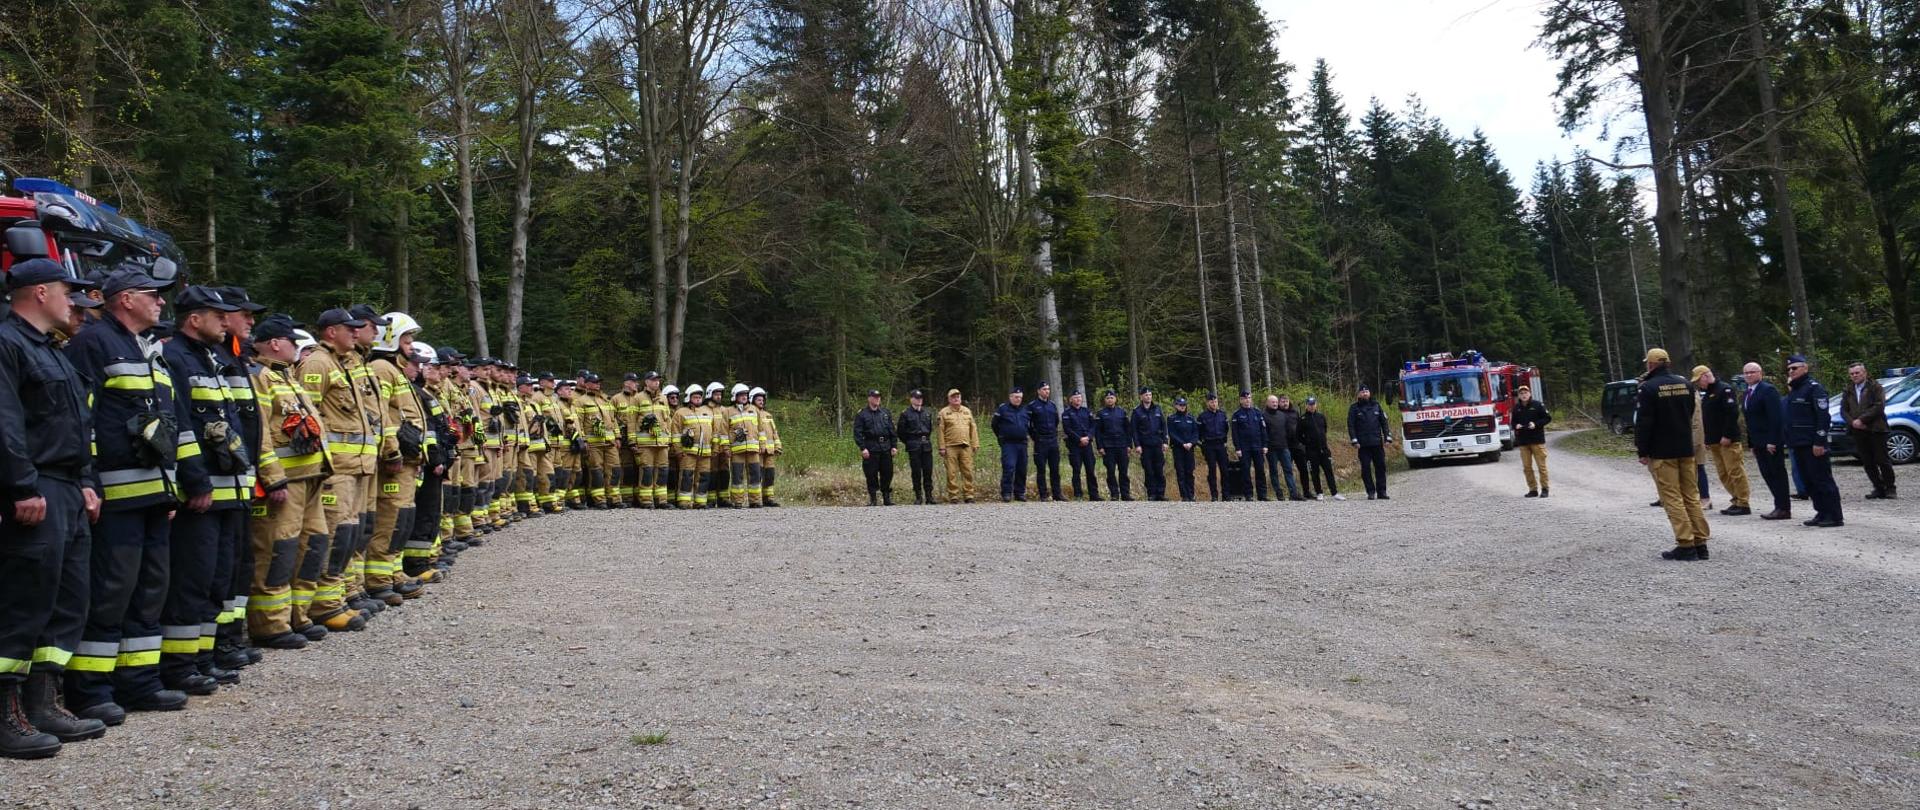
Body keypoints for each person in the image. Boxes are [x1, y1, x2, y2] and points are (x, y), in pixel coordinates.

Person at [60, 267, 189, 723]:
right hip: (116, 497)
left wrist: (171, 490)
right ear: (126, 299)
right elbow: (83, 421)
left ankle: (140, 681)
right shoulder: (93, 343)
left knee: (150, 589)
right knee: (112, 590)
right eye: (153, 295)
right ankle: (91, 688)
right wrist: (87, 481)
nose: (160, 303)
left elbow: (164, 426)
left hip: (154, 496)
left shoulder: (150, 348)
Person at [0, 260, 106, 758]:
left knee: (67, 600)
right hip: (34, 487)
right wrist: (22, 486)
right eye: (68, 291)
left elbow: (75, 425)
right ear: (39, 292)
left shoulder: (54, 351)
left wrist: (85, 481)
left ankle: (43, 704)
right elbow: (6, 424)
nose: (76, 302)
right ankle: (5, 716)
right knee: (25, 603)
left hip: (65, 487)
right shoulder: (8, 343)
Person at [161, 286, 256, 692]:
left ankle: (204, 657)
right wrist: (195, 481)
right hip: (203, 494)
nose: (227, 320)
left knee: (218, 579)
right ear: (194, 319)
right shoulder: (176, 358)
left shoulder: (212, 357)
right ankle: (181, 666)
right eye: (218, 315)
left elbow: (233, 427)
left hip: (228, 489)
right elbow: (181, 424)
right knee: (192, 581)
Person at [241, 314, 332, 655]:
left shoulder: (287, 376)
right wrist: (272, 476)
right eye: (293, 341)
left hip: (310, 478)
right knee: (277, 550)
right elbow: (260, 431)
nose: (298, 347)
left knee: (312, 546)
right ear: (275, 343)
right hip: (286, 481)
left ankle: (299, 614)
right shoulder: (260, 377)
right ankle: (270, 624)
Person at [296, 309, 376, 632]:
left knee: (349, 533)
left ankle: (337, 597)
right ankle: (324, 605)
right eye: (349, 329)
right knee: (333, 534)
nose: (355, 334)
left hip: (354, 464)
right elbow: (308, 418)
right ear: (331, 332)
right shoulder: (317, 363)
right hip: (336, 468)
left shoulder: (342, 363)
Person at [1635, 348, 1711, 561]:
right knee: (1691, 496)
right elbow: (1689, 413)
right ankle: (1700, 542)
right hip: (1685, 449)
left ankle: (1685, 543)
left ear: (1650, 365)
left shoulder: (1648, 388)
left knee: (1672, 498)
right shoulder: (1685, 384)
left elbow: (1644, 422)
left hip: (1662, 451)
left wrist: (1643, 450)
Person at [1785, 355, 1843, 528]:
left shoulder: (1814, 388)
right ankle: (1821, 511)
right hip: (1799, 443)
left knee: (1822, 479)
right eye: (1789, 369)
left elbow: (1823, 417)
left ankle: (1834, 515)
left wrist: (1819, 441)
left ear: (1805, 368)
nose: (1791, 371)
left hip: (1813, 444)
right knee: (1808, 480)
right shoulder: (1795, 389)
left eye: (1794, 368)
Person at [1694, 366, 1751, 516]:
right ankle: (1735, 499)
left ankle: (1743, 502)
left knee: (1735, 471)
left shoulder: (1724, 389)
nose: (1699, 384)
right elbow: (1707, 417)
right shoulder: (1708, 393)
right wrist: (1707, 438)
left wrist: (1727, 435)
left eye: (1699, 380)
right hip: (1714, 441)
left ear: (1705, 376)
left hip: (1727, 440)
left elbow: (1731, 414)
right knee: (1723, 473)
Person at [1741, 362, 1792, 520]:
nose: (1749, 375)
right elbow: (1749, 420)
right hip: (1758, 442)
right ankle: (1778, 505)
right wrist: (1751, 443)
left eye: (1752, 372)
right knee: (1767, 474)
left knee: (1777, 473)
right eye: (1746, 373)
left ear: (1760, 373)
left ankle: (1783, 507)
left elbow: (1776, 418)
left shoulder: (1768, 390)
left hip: (1770, 441)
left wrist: (1773, 441)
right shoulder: (1747, 393)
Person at [1843, 362, 1897, 500]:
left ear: (1865, 373)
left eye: (1857, 372)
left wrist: (1862, 420)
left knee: (1882, 460)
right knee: (1867, 462)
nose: (1854, 375)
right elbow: (1843, 410)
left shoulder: (1875, 387)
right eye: (1852, 373)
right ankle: (1878, 488)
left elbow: (1879, 406)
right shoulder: (1848, 389)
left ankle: (1890, 488)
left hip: (1876, 429)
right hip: (1858, 431)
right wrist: (1853, 422)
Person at [853, 389, 898, 506]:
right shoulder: (862, 414)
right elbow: (857, 433)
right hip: (871, 447)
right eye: (874, 397)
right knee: (871, 474)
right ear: (869, 398)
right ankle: (873, 498)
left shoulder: (885, 413)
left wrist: (894, 446)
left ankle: (886, 497)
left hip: (885, 447)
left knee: (887, 473)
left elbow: (892, 431)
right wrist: (863, 448)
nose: (877, 399)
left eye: (878, 397)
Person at [672, 385, 715, 507]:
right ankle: (684, 501)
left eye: (699, 397)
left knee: (703, 477)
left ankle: (700, 502)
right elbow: (675, 434)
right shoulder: (680, 413)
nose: (698, 399)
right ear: (688, 398)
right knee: (687, 476)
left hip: (705, 452)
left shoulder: (707, 412)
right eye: (695, 397)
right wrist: (679, 450)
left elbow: (714, 432)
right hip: (688, 452)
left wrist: (714, 448)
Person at [1347, 386, 1391, 500]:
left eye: (1367, 391)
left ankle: (1382, 492)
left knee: (1381, 467)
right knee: (1366, 469)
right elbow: (1351, 425)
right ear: (1359, 394)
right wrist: (1354, 440)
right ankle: (1370, 491)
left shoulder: (1376, 405)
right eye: (1362, 392)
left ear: (1370, 393)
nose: (1365, 393)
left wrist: (1387, 437)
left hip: (1377, 443)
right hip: (1363, 445)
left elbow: (1384, 423)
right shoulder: (1354, 408)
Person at [935, 389, 977, 503]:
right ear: (949, 399)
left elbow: (973, 428)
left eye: (958, 396)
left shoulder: (967, 411)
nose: (956, 398)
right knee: (951, 472)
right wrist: (942, 447)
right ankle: (953, 496)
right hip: (950, 446)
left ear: (960, 398)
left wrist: (975, 443)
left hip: (965, 445)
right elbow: (940, 431)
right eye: (953, 397)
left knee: (968, 471)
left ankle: (969, 495)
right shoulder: (943, 413)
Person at [727, 384, 765, 508]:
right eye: (741, 395)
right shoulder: (728, 412)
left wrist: (762, 444)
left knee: (755, 475)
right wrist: (726, 447)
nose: (744, 397)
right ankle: (737, 501)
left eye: (745, 395)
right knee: (737, 477)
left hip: (753, 450)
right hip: (737, 451)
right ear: (735, 396)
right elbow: (723, 432)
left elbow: (761, 430)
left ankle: (755, 501)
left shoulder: (754, 410)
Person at [1025, 382, 1063, 501]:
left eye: (1048, 389)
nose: (1047, 391)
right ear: (1038, 391)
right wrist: (1034, 436)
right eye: (1044, 389)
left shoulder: (1052, 405)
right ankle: (1043, 494)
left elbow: (1056, 421)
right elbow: (1028, 424)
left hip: (1052, 440)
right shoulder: (1032, 406)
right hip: (1040, 441)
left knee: (1055, 469)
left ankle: (1057, 494)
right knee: (1041, 469)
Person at [1511, 385, 1551, 498]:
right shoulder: (1516, 408)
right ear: (1519, 395)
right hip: (1523, 442)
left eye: (1526, 393)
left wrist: (1536, 424)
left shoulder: (1538, 405)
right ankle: (1533, 489)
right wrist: (1516, 425)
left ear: (1529, 394)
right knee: (1527, 467)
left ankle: (1545, 489)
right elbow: (1512, 422)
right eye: (1521, 393)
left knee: (1541, 467)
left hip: (1537, 441)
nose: (1524, 395)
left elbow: (1547, 418)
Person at [992, 388, 1031, 502]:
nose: (1018, 399)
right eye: (1016, 397)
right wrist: (1001, 436)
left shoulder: (1025, 410)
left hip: (1022, 443)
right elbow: (994, 424)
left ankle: (1020, 493)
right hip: (1009, 443)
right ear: (1010, 397)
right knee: (1009, 468)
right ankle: (1007, 493)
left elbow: (1028, 425)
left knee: (1022, 469)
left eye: (1020, 397)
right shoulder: (1003, 409)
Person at [897, 390, 935, 505]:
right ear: (911, 399)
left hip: (926, 445)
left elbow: (929, 429)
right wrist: (909, 442)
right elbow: (901, 432)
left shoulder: (927, 413)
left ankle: (929, 496)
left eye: (920, 398)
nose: (919, 400)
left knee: (928, 471)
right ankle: (918, 496)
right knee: (916, 472)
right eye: (916, 398)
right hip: (914, 445)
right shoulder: (905, 414)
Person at [1300, 397, 1342, 500]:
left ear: (1316, 405)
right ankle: (1319, 493)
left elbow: (1325, 430)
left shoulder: (1321, 417)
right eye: (1310, 404)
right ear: (1306, 405)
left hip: (1324, 450)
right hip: (1311, 451)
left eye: (1313, 404)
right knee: (1314, 473)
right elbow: (1299, 436)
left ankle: (1334, 493)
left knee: (1329, 471)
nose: (1312, 406)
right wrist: (1307, 442)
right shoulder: (1302, 419)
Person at [1263, 395, 1304, 501]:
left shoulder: (1282, 415)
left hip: (1284, 447)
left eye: (1276, 402)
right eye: (1272, 402)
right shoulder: (1263, 415)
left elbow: (1288, 431)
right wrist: (1264, 446)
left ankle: (1293, 493)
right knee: (1274, 471)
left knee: (1288, 470)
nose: (1275, 404)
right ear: (1267, 403)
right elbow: (1262, 433)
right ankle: (1279, 493)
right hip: (1271, 448)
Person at [1130, 388, 1169, 501]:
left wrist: (1165, 442)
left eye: (1150, 395)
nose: (1148, 397)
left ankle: (1160, 494)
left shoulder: (1157, 409)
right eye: (1146, 395)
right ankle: (1151, 494)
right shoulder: (1137, 411)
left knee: (1159, 470)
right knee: (1149, 470)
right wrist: (1137, 445)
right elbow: (1134, 430)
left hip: (1157, 444)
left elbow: (1164, 426)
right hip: (1145, 446)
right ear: (1141, 397)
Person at [1094, 391, 1133, 501]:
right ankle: (1114, 494)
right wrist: (1100, 447)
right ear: (1105, 400)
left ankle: (1126, 494)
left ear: (1115, 399)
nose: (1110, 399)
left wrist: (1129, 445)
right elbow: (1098, 432)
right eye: (1108, 398)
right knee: (1111, 471)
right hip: (1108, 447)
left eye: (1112, 397)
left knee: (1124, 471)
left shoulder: (1122, 412)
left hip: (1122, 446)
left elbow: (1128, 430)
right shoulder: (1101, 413)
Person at [1060, 391, 1099, 501]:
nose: (1078, 399)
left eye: (1079, 397)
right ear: (1071, 400)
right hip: (1074, 445)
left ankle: (1094, 494)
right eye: (1075, 397)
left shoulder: (1087, 411)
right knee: (1076, 470)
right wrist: (1079, 439)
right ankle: (1078, 495)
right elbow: (1068, 429)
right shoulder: (1066, 413)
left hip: (1087, 445)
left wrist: (1089, 437)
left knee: (1090, 470)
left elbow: (1093, 426)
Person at [1229, 390, 1267, 500]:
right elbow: (1235, 433)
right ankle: (1249, 494)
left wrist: (1265, 445)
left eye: (1249, 398)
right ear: (1241, 400)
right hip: (1244, 448)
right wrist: (1237, 448)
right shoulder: (1237, 415)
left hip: (1257, 446)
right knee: (1245, 471)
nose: (1247, 400)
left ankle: (1262, 495)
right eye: (1245, 398)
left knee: (1260, 470)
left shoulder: (1257, 412)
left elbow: (1263, 430)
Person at [751, 388, 782, 507]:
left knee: (769, 475)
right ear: (753, 400)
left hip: (770, 451)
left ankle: (768, 498)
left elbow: (774, 432)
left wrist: (778, 445)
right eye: (758, 400)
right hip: (758, 450)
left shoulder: (768, 415)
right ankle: (756, 499)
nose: (761, 402)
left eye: (762, 400)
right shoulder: (751, 413)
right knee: (757, 475)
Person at [1196, 393, 1229, 501]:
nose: (1214, 404)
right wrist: (1203, 446)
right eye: (1211, 402)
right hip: (1209, 446)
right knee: (1212, 471)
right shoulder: (1202, 416)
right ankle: (1214, 495)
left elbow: (1226, 429)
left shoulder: (1222, 414)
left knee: (1225, 470)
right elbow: (1198, 433)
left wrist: (1225, 441)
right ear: (1207, 403)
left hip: (1220, 445)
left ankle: (1226, 495)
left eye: (1215, 401)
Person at [1167, 396, 1199, 502]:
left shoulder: (1191, 418)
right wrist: (1182, 443)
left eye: (1184, 405)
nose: (1182, 407)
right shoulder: (1172, 419)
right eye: (1180, 405)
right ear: (1176, 406)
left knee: (1189, 472)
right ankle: (1184, 495)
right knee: (1180, 472)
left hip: (1190, 448)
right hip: (1178, 448)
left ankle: (1191, 494)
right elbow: (1172, 433)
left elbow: (1196, 433)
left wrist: (1191, 443)